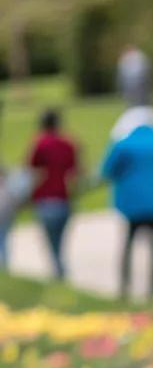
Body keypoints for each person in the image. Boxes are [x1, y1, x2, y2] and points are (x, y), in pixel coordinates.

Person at [100, 111, 153, 300]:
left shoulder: (123, 144)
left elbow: (107, 170)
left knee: (128, 244)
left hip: (129, 202)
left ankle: (125, 286)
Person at [27, 109, 79, 280]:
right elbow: (75, 173)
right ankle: (61, 272)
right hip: (64, 199)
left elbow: (32, 172)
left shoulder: (40, 144)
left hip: (45, 199)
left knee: (52, 244)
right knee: (60, 244)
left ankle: (59, 274)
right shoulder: (68, 144)